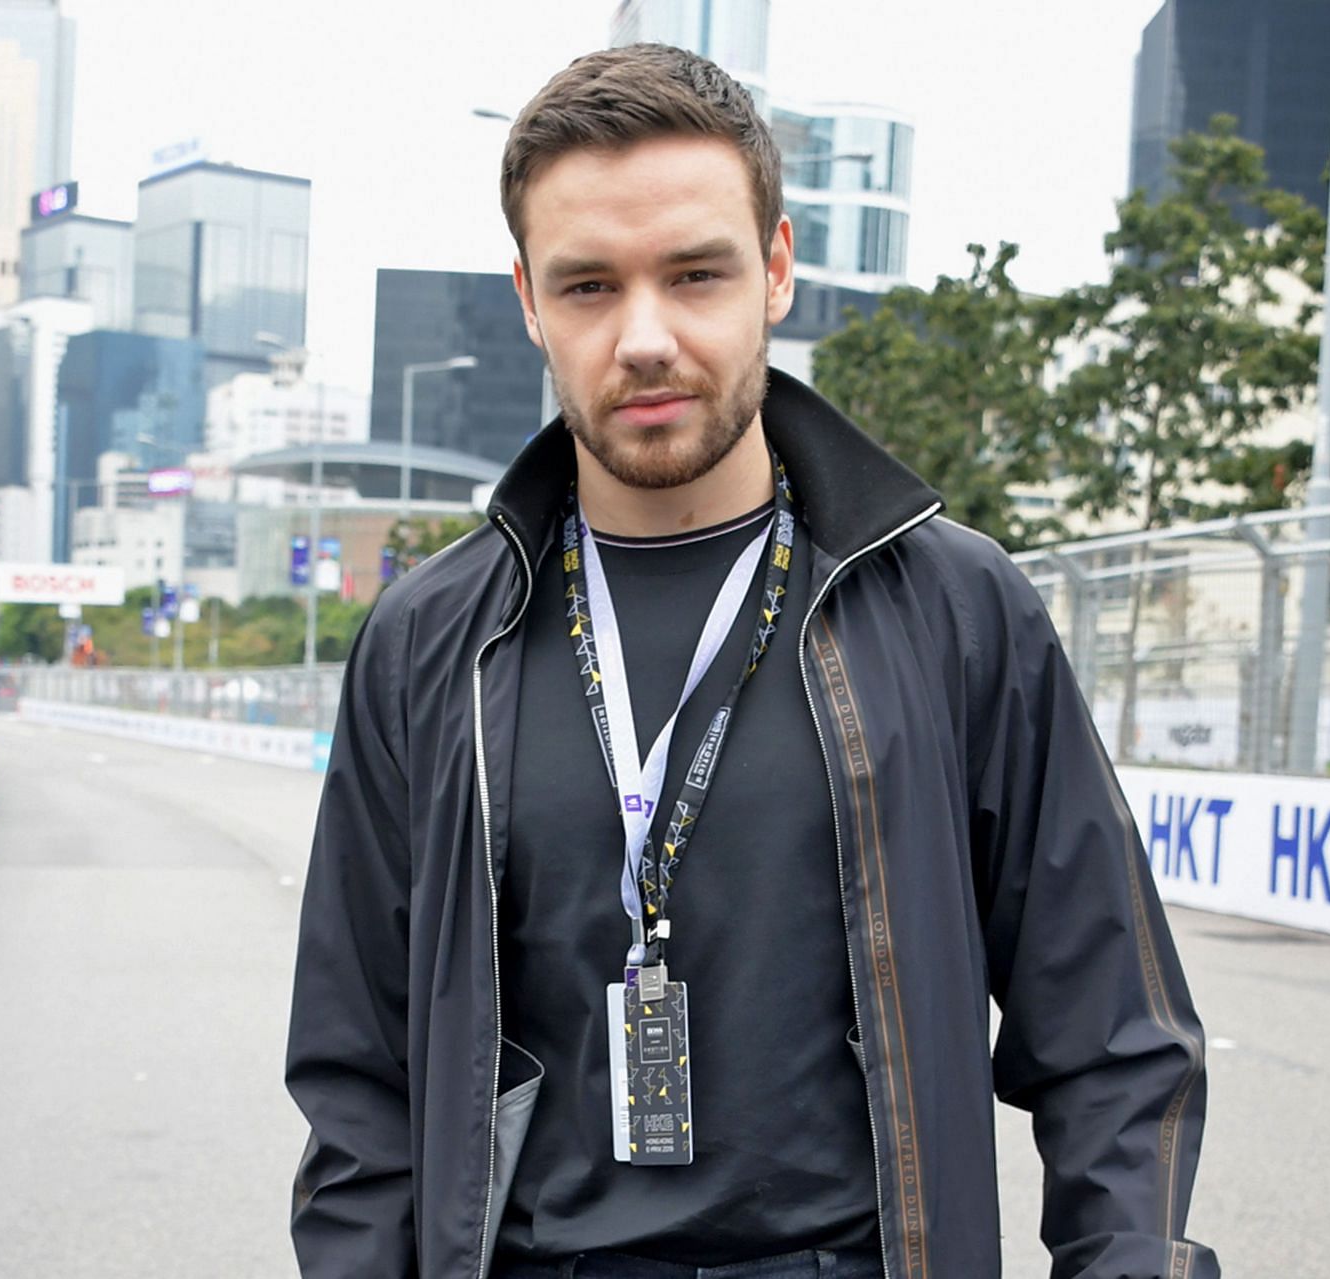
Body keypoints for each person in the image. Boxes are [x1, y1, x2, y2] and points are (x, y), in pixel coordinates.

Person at [286, 43, 1218, 1279]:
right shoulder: (429, 645)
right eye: (588, 288)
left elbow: (1115, 1037)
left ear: (775, 269)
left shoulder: (949, 607)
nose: (646, 337)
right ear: (527, 300)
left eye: (695, 274)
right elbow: (360, 1082)